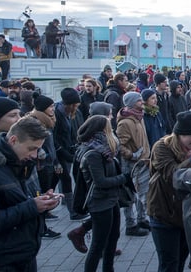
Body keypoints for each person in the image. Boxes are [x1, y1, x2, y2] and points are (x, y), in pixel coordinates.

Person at [0, 116, 57, 272]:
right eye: (31, 148)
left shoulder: (18, 163)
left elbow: (17, 201)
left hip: (22, 255)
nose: (35, 155)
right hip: (2, 260)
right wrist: (33, 206)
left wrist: (43, 201)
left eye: (38, 149)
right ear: (13, 140)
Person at [147, 111, 191, 272]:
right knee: (169, 264)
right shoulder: (161, 147)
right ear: (179, 134)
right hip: (163, 214)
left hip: (185, 215)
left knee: (180, 260)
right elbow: (173, 174)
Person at [75, 115, 127, 272]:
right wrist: (124, 178)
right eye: (109, 126)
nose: (112, 129)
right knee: (98, 244)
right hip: (100, 202)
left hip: (111, 200)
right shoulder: (93, 153)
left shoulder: (104, 149)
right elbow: (101, 182)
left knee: (113, 238)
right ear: (102, 130)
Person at [117, 91, 151, 236]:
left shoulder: (139, 118)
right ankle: (130, 224)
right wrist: (132, 155)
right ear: (131, 103)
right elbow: (120, 145)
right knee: (130, 194)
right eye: (138, 101)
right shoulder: (125, 122)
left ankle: (142, 219)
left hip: (143, 161)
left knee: (143, 191)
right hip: (131, 163)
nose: (142, 103)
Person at [29, 93, 63, 237]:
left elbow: (52, 143)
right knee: (41, 194)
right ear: (43, 108)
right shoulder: (34, 122)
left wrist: (56, 161)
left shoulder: (48, 121)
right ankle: (42, 229)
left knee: (47, 192)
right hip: (40, 165)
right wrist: (40, 152)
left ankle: (43, 222)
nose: (53, 109)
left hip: (49, 162)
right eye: (50, 106)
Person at [54, 87, 86, 220]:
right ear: (70, 104)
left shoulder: (67, 113)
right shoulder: (58, 114)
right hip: (59, 152)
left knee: (60, 179)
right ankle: (72, 211)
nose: (77, 108)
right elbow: (54, 137)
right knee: (64, 179)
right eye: (76, 105)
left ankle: (68, 205)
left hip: (66, 150)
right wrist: (60, 153)